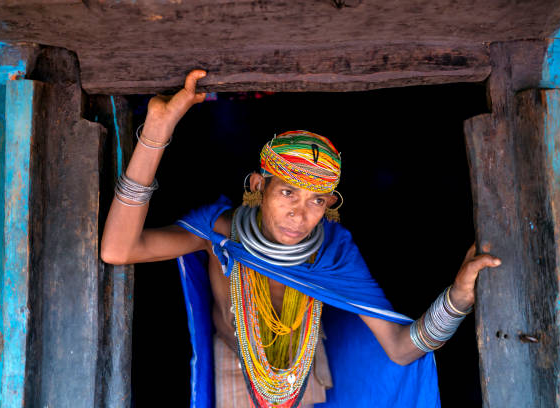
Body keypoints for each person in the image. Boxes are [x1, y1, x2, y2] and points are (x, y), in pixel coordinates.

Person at [101, 70, 501, 408]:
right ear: (259, 185)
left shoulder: (333, 251)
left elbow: (400, 347)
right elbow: (119, 249)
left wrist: (459, 297)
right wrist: (157, 128)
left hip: (304, 369)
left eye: (317, 201)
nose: (300, 213)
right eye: (287, 192)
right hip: (233, 363)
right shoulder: (220, 231)